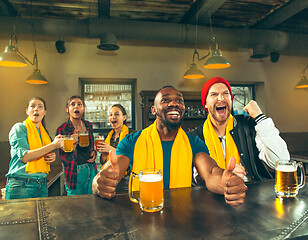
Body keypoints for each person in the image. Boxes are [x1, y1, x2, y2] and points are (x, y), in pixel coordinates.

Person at [92, 86, 247, 206]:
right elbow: (112, 172)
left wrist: (226, 184)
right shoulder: (131, 141)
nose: (174, 103)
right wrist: (100, 182)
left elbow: (212, 172)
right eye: (165, 100)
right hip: (141, 215)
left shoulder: (194, 142)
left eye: (179, 101)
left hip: (182, 218)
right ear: (153, 110)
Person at [191, 77, 290, 183]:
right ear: (205, 104)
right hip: (214, 194)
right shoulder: (196, 137)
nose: (221, 98)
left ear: (230, 100)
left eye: (226, 93)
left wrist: (260, 117)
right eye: (214, 94)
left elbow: (281, 161)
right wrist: (224, 174)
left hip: (255, 191)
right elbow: (197, 177)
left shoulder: (249, 125)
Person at [5, 97, 64, 200]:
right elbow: (25, 157)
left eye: (40, 106)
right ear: (27, 111)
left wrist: (51, 156)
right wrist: (53, 145)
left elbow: (42, 154)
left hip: (42, 183)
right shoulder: (19, 128)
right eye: (32, 106)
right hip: (21, 184)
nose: (36, 109)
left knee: (40, 217)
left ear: (44, 112)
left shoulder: (44, 134)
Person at [56, 96, 97, 195]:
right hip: (74, 172)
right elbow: (64, 159)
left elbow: (91, 146)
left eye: (79, 104)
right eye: (72, 104)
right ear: (67, 109)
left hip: (91, 169)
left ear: (83, 108)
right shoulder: (62, 129)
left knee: (93, 203)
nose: (76, 107)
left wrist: (94, 153)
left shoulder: (88, 125)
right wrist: (72, 144)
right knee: (76, 206)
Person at [96, 104, 130, 191]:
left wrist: (110, 149)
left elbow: (131, 157)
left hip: (126, 181)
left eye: (116, 114)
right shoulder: (108, 136)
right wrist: (103, 152)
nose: (113, 117)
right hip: (109, 179)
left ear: (124, 117)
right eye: (110, 115)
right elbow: (103, 161)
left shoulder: (131, 135)